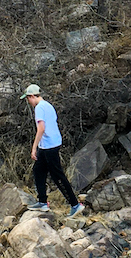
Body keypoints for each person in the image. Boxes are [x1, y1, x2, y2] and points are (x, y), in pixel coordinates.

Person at [21, 84, 85, 216]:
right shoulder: (48, 105)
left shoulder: (39, 108)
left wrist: (34, 148)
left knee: (58, 176)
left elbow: (41, 128)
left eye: (28, 98)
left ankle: (75, 204)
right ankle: (42, 202)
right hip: (49, 145)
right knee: (38, 170)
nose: (28, 101)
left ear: (32, 96)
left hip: (49, 146)